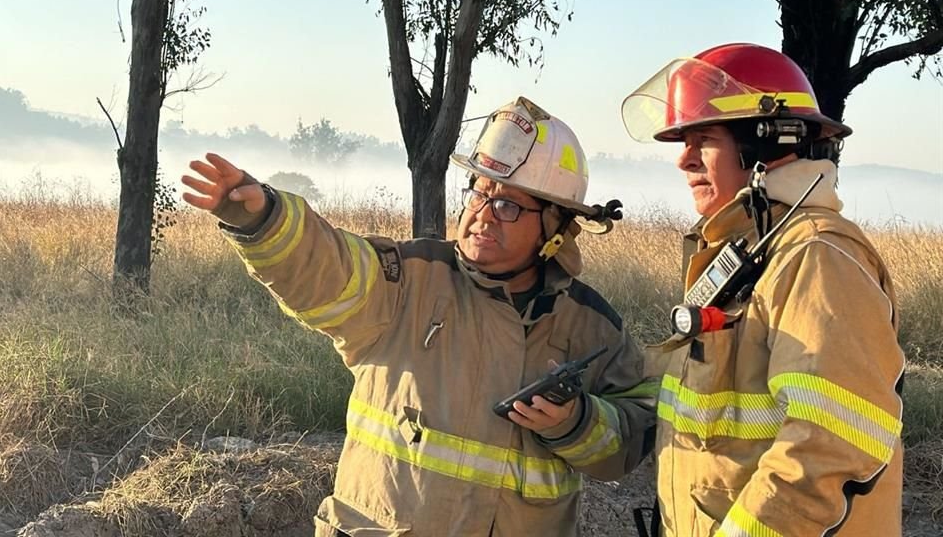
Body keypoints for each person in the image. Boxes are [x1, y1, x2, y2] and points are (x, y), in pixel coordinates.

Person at [182, 96, 657, 537]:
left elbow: (632, 442)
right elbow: (329, 269)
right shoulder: (408, 279)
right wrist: (264, 220)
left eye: (508, 204)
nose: (483, 215)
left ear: (556, 226)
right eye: (478, 192)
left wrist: (575, 421)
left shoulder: (594, 327)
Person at [620, 43, 905, 536]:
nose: (683, 161)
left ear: (768, 143)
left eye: (702, 139)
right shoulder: (756, 252)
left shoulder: (816, 256)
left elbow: (831, 440)